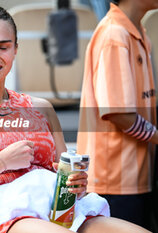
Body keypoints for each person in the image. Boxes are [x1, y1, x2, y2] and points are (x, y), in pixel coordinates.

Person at [0, 5, 150, 233]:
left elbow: (67, 182)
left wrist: (76, 185)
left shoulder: (41, 109)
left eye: (3, 47)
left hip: (60, 216)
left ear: (15, 50)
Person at [77, 0, 158, 230]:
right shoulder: (114, 35)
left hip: (134, 179)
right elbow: (119, 114)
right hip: (114, 182)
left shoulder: (136, 32)